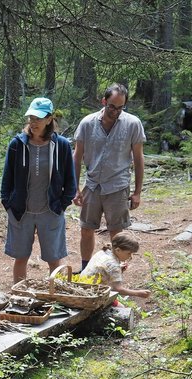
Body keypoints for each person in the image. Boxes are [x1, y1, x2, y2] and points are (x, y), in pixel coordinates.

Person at [0, 97, 77, 283]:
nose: (33, 122)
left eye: (38, 118)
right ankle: (19, 296)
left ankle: (57, 295)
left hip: (50, 211)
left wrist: (61, 205)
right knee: (21, 257)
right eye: (31, 118)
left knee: (54, 259)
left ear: (49, 119)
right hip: (21, 212)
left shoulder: (62, 146)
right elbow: (6, 179)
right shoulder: (17, 145)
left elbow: (70, 182)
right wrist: (8, 204)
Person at [73, 83, 146, 271]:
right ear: (104, 101)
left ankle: (115, 270)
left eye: (121, 107)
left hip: (118, 185)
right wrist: (75, 187)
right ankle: (86, 269)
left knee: (117, 233)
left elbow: (138, 158)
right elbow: (77, 156)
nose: (116, 111)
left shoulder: (132, 124)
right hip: (93, 184)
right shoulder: (87, 123)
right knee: (87, 229)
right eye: (112, 106)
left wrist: (137, 192)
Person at [80, 231, 151, 298]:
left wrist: (118, 268)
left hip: (81, 286)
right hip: (91, 294)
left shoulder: (104, 252)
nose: (131, 256)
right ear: (118, 250)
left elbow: (104, 268)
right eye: (129, 253)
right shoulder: (113, 266)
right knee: (121, 308)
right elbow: (118, 289)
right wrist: (138, 293)